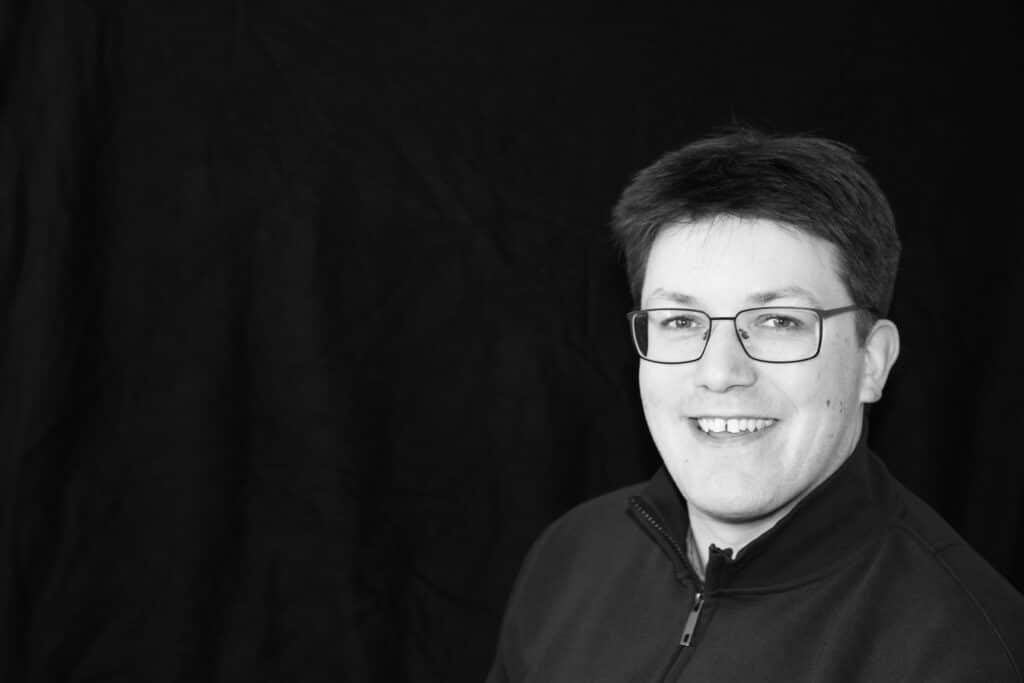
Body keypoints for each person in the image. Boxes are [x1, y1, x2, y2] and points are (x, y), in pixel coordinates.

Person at [487, 128, 1024, 682]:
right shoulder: (570, 557)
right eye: (680, 320)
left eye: (779, 321)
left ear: (872, 362)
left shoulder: (966, 653)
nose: (720, 373)